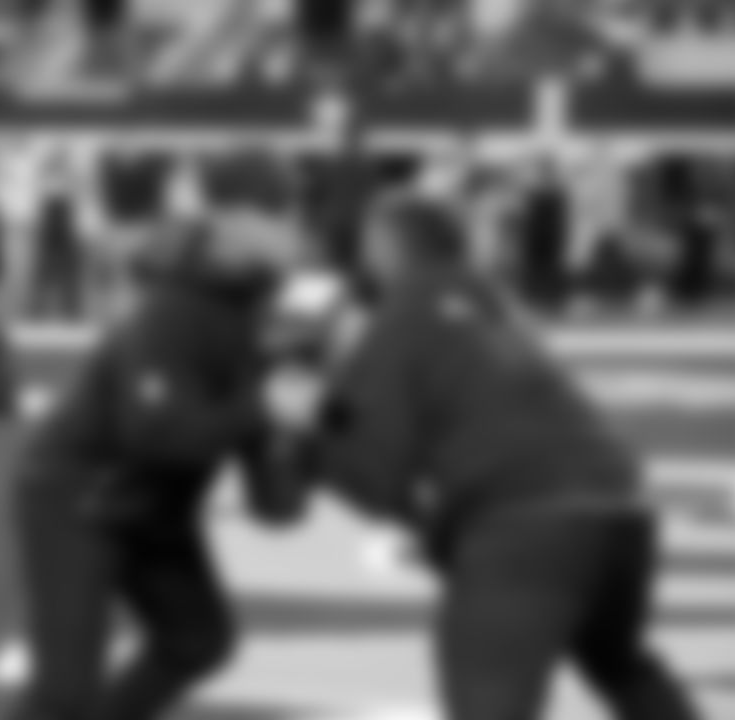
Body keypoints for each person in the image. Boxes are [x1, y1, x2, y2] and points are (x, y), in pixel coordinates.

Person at [260, 193, 705, 720]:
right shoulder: (494, 305)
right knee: (624, 668)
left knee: (490, 703)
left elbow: (377, 477)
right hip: (623, 508)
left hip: (525, 525)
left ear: (381, 250)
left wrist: (308, 442)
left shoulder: (404, 318)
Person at [4, 212, 307, 720]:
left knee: (197, 640)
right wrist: (262, 411)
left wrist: (302, 445)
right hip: (82, 496)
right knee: (65, 690)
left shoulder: (243, 327)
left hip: (150, 501)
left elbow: (275, 505)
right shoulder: (173, 315)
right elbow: (159, 435)